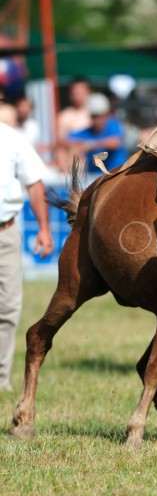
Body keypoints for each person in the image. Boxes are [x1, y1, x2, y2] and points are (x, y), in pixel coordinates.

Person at [0, 122, 53, 392]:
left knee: (8, 307)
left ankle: (0, 378)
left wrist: (44, 228)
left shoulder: (12, 139)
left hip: (5, 232)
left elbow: (34, 184)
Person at [63, 93, 128, 174]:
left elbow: (115, 142)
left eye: (100, 115)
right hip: (94, 179)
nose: (97, 119)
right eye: (94, 116)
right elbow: (65, 141)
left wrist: (90, 145)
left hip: (115, 177)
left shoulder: (114, 125)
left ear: (106, 114)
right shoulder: (86, 132)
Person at [56, 77, 92, 172]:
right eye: (75, 93)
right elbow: (59, 143)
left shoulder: (96, 115)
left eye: (81, 93)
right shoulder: (65, 115)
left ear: (88, 93)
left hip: (93, 166)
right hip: (71, 166)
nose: (78, 96)